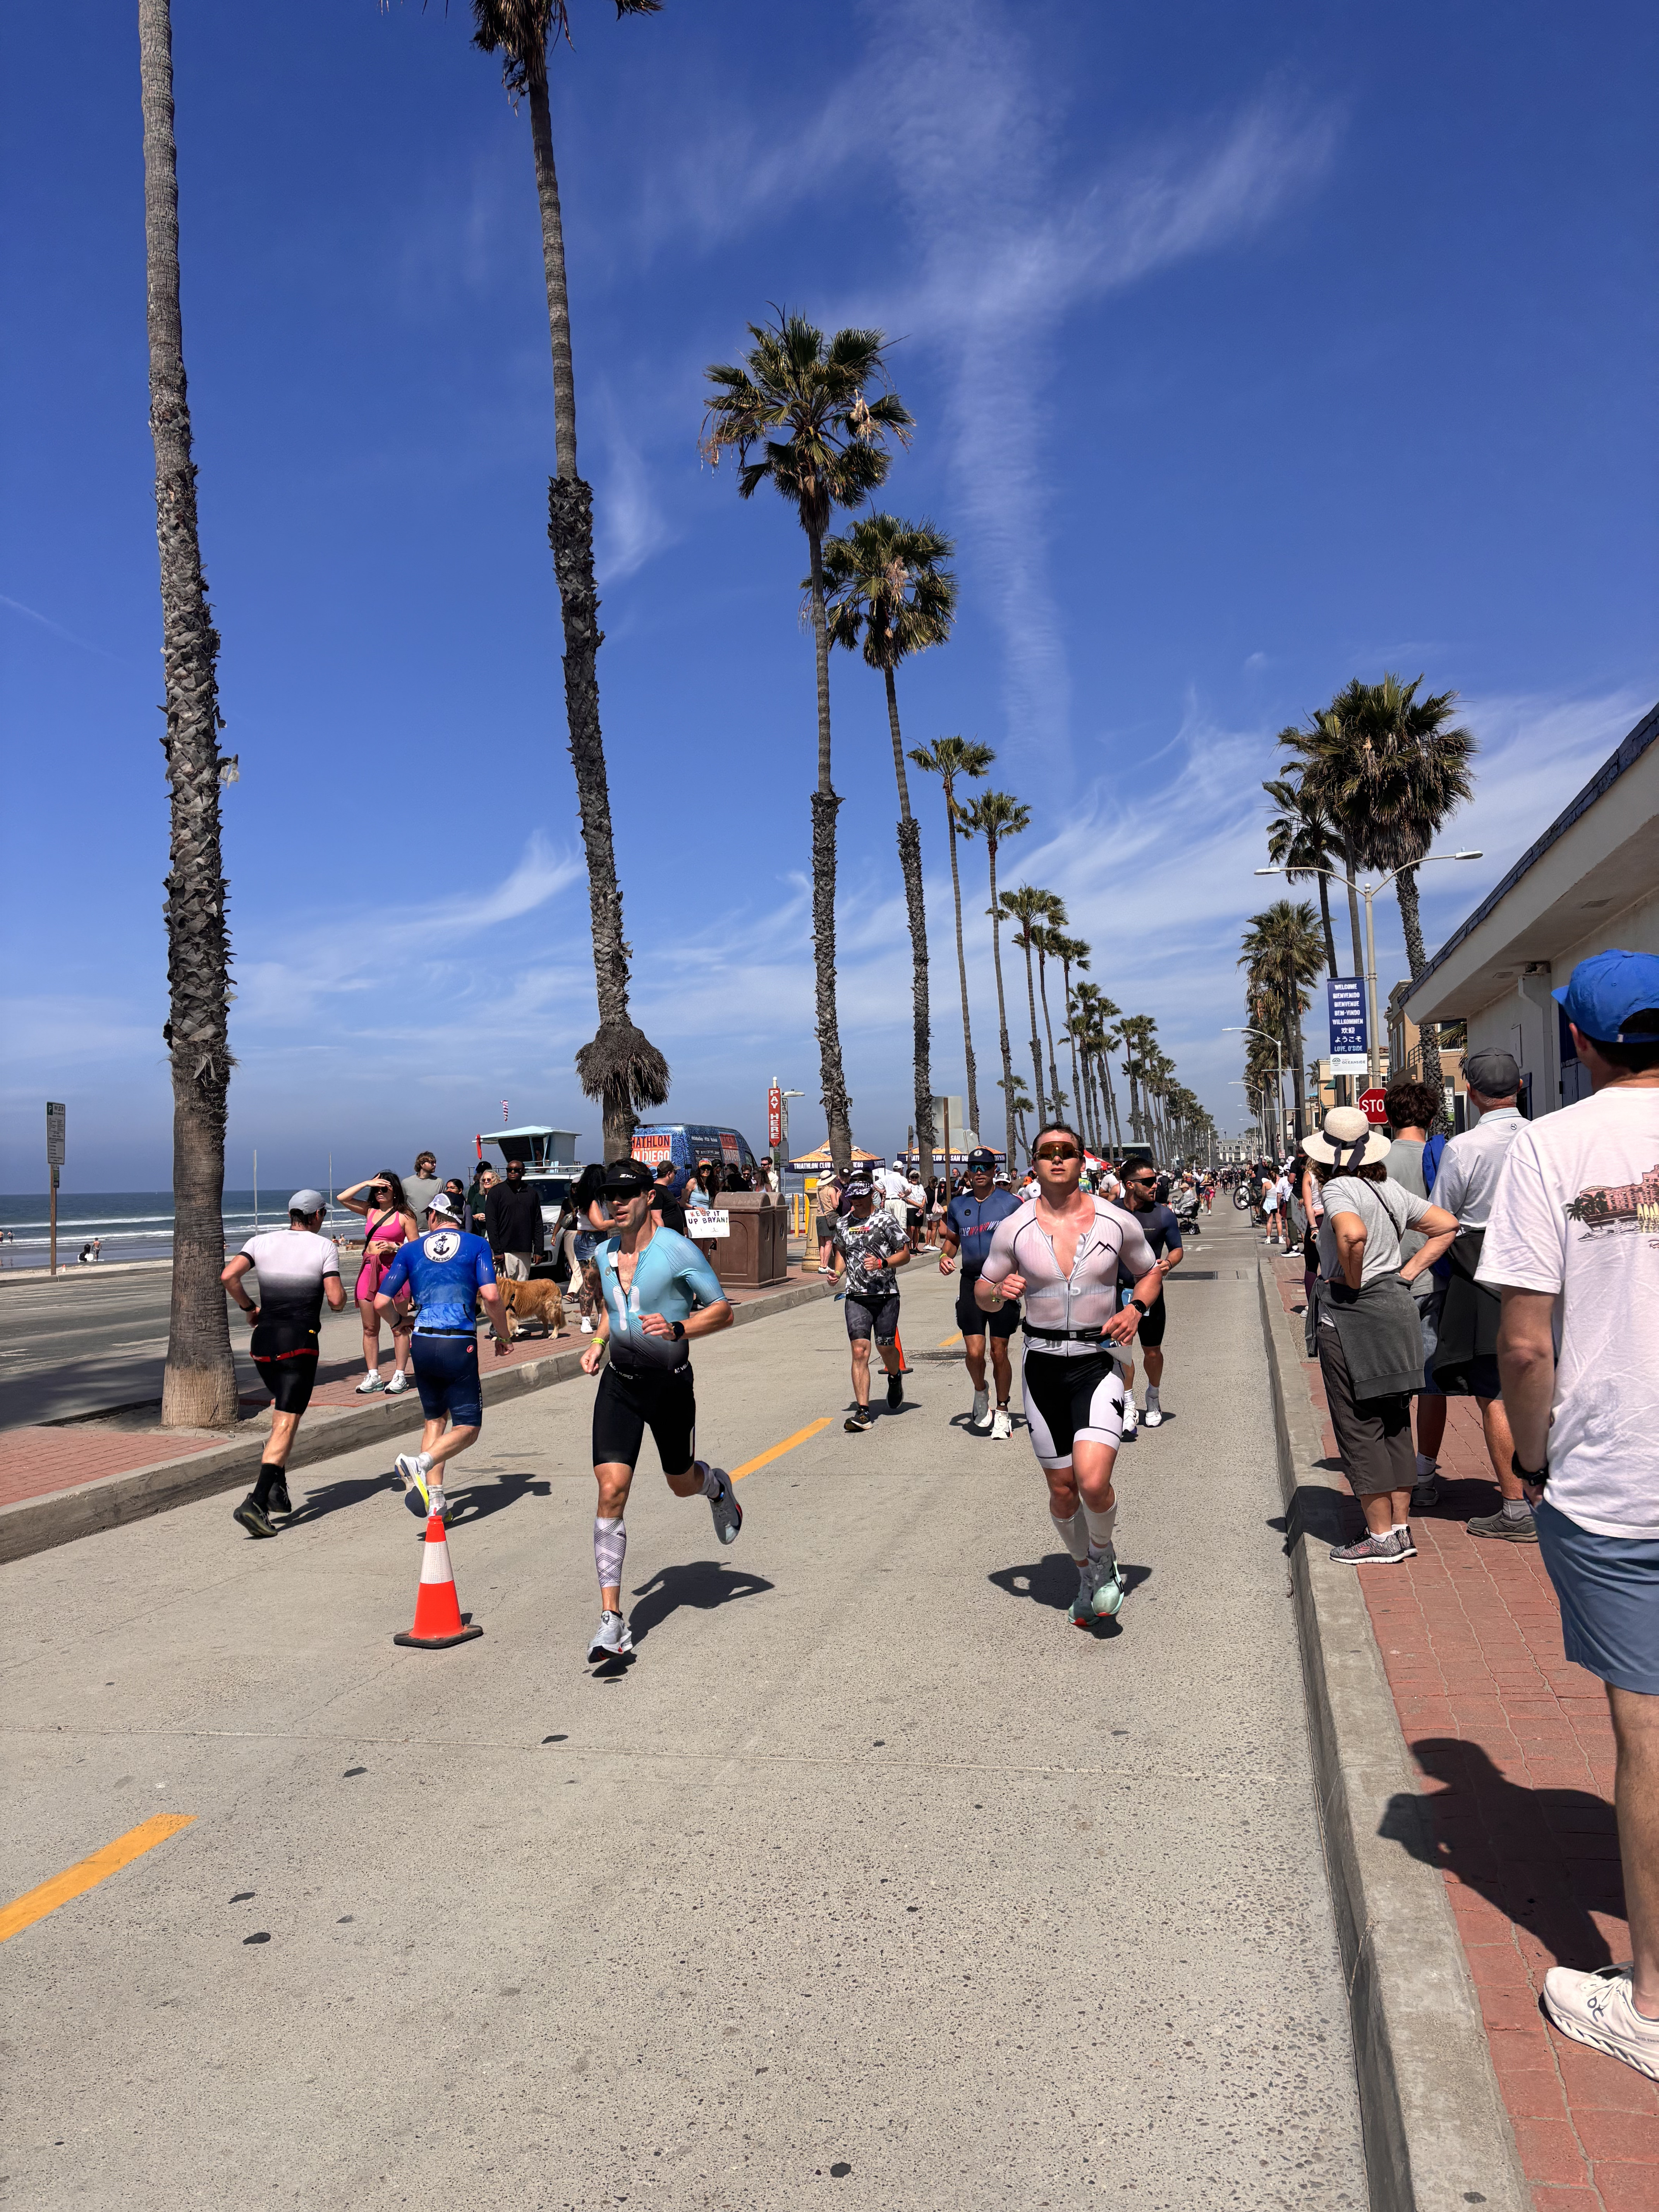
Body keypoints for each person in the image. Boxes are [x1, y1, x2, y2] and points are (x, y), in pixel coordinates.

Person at [1475, 951, 1659, 2076]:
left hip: (1617, 1478)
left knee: (1647, 1734)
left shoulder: (1551, 1147)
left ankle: (1648, 2001)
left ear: (1580, 1044)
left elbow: (1526, 1340)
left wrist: (1533, 1455)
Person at [975, 1123, 1163, 1628]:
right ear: (1033, 1164)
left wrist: (1136, 1310)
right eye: (1046, 1153)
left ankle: (1102, 1556)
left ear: (1082, 1161)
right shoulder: (1013, 1227)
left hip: (1097, 1361)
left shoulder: (1116, 1220)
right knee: (1062, 1491)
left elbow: (1149, 1271)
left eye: (1066, 1152)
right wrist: (999, 1293)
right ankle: (1086, 1571)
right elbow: (983, 1289)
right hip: (1041, 1366)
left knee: (1094, 1480)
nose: (1057, 1160)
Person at [579, 1158, 739, 1663]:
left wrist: (678, 1329)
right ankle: (611, 1621)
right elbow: (611, 1306)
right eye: (610, 1196)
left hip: (669, 1387)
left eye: (626, 1194)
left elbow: (723, 1309)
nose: (617, 1204)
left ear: (649, 1197)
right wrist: (600, 1342)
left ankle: (716, 1487)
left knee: (680, 1481)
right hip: (620, 1385)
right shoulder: (605, 1255)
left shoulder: (676, 1251)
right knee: (611, 1488)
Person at [1305, 1107, 1457, 1566]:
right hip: (1396, 1308)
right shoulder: (1388, 1188)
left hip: (1355, 1316)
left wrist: (1353, 1280)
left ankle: (1379, 1535)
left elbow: (1351, 1234)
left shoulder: (1337, 1189)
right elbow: (1446, 1225)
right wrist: (1405, 1274)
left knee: (1358, 1423)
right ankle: (1400, 1528)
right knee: (1394, 1420)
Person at [1428, 1048, 1532, 1540]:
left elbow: (1442, 1216)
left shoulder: (1464, 1147)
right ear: (1518, 1089)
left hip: (1482, 1265)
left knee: (1494, 1392)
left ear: (1472, 1092)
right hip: (1544, 1263)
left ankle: (1515, 1507)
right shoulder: (1543, 1134)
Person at [375, 1194, 512, 1520]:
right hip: (458, 1342)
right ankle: (419, 1463)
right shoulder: (476, 1245)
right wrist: (503, 1334)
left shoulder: (409, 1250)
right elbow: (492, 1295)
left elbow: (382, 1301)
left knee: (435, 1420)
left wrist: (398, 1324)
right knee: (468, 1427)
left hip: (422, 1342)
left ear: (434, 1217)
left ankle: (436, 1503)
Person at [222, 1190, 349, 1538]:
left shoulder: (260, 1241)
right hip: (299, 1344)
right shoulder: (323, 1247)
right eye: (324, 1214)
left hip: (263, 1343)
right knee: (286, 1424)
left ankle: (277, 1489)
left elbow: (228, 1277)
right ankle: (257, 1501)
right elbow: (336, 1300)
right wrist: (341, 1298)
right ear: (317, 1215)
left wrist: (250, 1309)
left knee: (283, 1416)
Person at [1384, 1079, 1450, 1513]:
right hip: (1435, 1277)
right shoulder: (1447, 1156)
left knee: (1388, 1383)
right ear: (1431, 1118)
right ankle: (1425, 1473)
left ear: (1387, 1116)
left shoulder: (1375, 1161)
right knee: (1431, 1383)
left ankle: (1392, 1476)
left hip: (1387, 1282)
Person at [938, 1147, 1023, 1437]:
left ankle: (1002, 1410)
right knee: (974, 1353)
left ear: (993, 1171)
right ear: (968, 1171)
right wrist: (944, 1257)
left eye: (985, 1167)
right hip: (971, 1282)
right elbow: (951, 1240)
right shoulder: (957, 1205)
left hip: (1003, 1283)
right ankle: (980, 1391)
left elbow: (1027, 1242)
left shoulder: (1011, 1204)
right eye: (974, 1167)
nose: (979, 1172)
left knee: (999, 1351)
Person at [825, 1177, 912, 1432]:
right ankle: (863, 1413)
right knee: (860, 1351)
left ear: (871, 1197)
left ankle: (895, 1376)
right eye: (853, 1199)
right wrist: (837, 1273)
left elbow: (905, 1253)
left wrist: (883, 1263)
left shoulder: (885, 1220)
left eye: (862, 1199)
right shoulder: (843, 1223)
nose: (858, 1204)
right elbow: (841, 1251)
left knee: (885, 1347)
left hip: (886, 1294)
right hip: (856, 1296)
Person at [1114, 1158, 1185, 1432]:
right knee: (1121, 1351)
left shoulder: (1163, 1215)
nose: (1155, 1186)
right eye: (1148, 1182)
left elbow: (1177, 1248)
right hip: (1119, 1291)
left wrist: (1169, 1263)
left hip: (1151, 1292)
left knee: (1152, 1351)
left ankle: (1153, 1397)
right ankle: (1128, 1404)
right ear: (1130, 1184)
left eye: (1155, 1180)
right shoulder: (1113, 1212)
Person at [337, 1170, 417, 1393]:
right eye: (377, 1189)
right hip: (370, 1269)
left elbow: (416, 1248)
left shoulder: (405, 1215)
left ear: (395, 1191)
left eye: (385, 1188)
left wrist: (396, 1247)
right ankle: (373, 1375)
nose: (380, 1192)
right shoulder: (369, 1210)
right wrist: (365, 1182)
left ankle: (400, 1375)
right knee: (370, 1327)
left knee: (398, 1325)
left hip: (395, 1272)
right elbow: (342, 1199)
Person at [563, 1163, 610, 1334]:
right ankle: (585, 1320)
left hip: (599, 1240)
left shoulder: (600, 1199)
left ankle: (600, 1318)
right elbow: (600, 1224)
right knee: (590, 1282)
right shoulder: (591, 1202)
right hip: (589, 1240)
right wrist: (621, 1222)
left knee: (601, 1284)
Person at [484, 1156, 546, 1281]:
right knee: (505, 1291)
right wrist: (497, 1251)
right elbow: (491, 1223)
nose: (512, 1172)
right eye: (509, 1170)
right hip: (505, 1251)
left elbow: (538, 1223)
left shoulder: (532, 1194)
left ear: (523, 1171)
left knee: (522, 1291)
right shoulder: (496, 1192)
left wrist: (539, 1250)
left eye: (516, 1170)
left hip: (525, 1250)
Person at [650, 1159, 690, 1235]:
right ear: (669, 1174)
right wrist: (664, 1239)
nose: (675, 1176)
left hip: (675, 1236)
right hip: (667, 1238)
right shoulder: (657, 1191)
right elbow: (656, 1217)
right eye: (675, 1173)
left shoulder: (664, 1189)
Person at [403, 1152, 441, 1220]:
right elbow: (402, 1203)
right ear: (422, 1164)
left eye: (435, 1163)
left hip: (432, 1226)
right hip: (411, 1225)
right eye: (432, 1163)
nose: (435, 1165)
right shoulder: (406, 1183)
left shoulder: (439, 1182)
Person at [464, 1163, 496, 1244]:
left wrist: (489, 1218)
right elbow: (471, 1211)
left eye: (489, 1180)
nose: (486, 1182)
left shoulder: (503, 1195)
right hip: (481, 1233)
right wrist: (477, 1216)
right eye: (484, 1180)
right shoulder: (477, 1195)